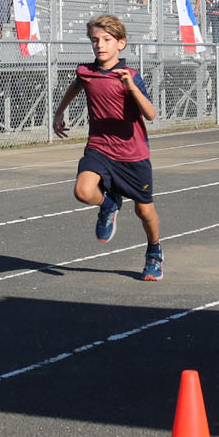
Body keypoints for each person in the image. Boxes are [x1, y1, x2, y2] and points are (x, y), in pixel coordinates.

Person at [52, 14, 164, 281]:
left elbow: (150, 114)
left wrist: (130, 88)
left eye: (106, 40)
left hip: (132, 155)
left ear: (120, 44)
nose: (100, 45)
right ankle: (109, 202)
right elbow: (75, 86)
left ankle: (154, 251)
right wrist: (59, 113)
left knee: (144, 211)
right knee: (83, 190)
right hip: (100, 147)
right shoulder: (86, 72)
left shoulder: (130, 76)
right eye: (95, 40)